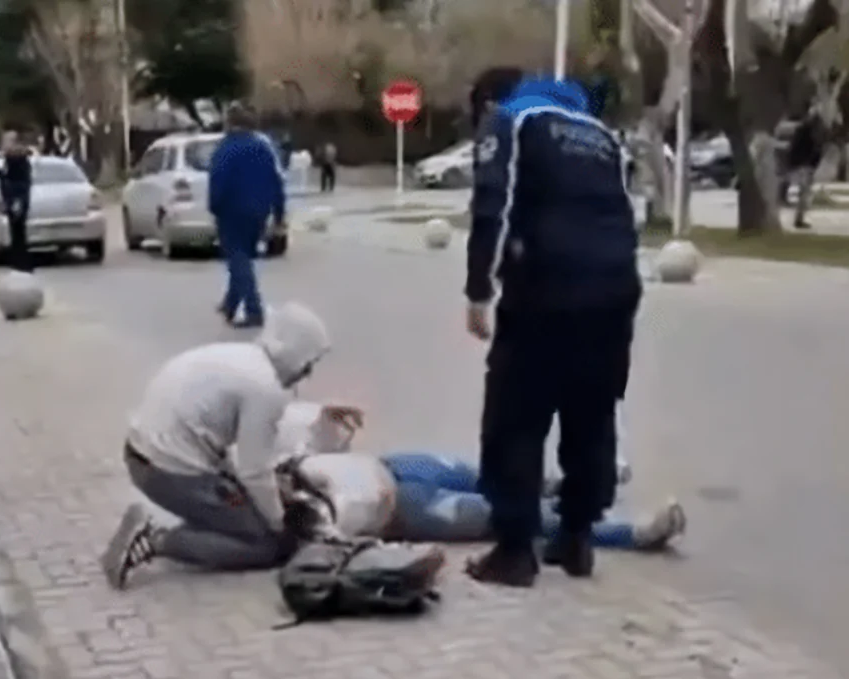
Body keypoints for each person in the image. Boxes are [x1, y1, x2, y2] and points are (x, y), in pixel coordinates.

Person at [464, 76, 642, 587]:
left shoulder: (512, 122)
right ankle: (577, 537)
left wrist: (479, 291)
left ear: (493, 102)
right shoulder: (601, 135)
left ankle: (515, 550)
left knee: (515, 416)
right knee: (592, 411)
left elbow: (492, 207)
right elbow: (627, 216)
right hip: (615, 292)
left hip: (545, 289)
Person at [99, 303, 363, 590]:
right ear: (294, 354)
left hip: (144, 455)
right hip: (167, 470)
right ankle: (156, 538)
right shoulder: (265, 387)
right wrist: (277, 522)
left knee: (247, 510)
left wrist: (319, 413)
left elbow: (262, 431)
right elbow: (254, 470)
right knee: (266, 545)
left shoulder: (243, 359)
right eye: (308, 363)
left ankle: (189, 524)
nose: (308, 373)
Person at [274, 402, 684, 552]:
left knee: (504, 474)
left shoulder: (274, 465)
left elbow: (301, 439)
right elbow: (335, 542)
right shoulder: (300, 520)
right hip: (405, 511)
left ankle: (583, 482)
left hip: (394, 466)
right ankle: (632, 534)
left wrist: (323, 419)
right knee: (522, 516)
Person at [209, 102, 285, 329]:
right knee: (242, 256)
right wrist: (279, 214)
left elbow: (218, 183)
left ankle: (254, 310)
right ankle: (231, 304)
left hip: (232, 211)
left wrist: (215, 207)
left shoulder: (225, 149)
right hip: (259, 212)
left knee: (237, 259)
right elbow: (276, 182)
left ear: (229, 123)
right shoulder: (263, 148)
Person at [0, 131, 33, 271]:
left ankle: (21, 261)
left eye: (6, 141)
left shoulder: (15, 157)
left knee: (17, 230)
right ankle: (19, 260)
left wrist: (3, 178)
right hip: (16, 196)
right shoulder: (16, 157)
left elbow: (16, 179)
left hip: (16, 197)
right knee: (17, 230)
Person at [787, 109, 826, 229]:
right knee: (804, 193)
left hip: (802, 164)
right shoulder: (809, 133)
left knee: (804, 193)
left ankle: (799, 218)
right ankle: (799, 219)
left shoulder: (803, 131)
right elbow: (812, 150)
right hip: (804, 165)